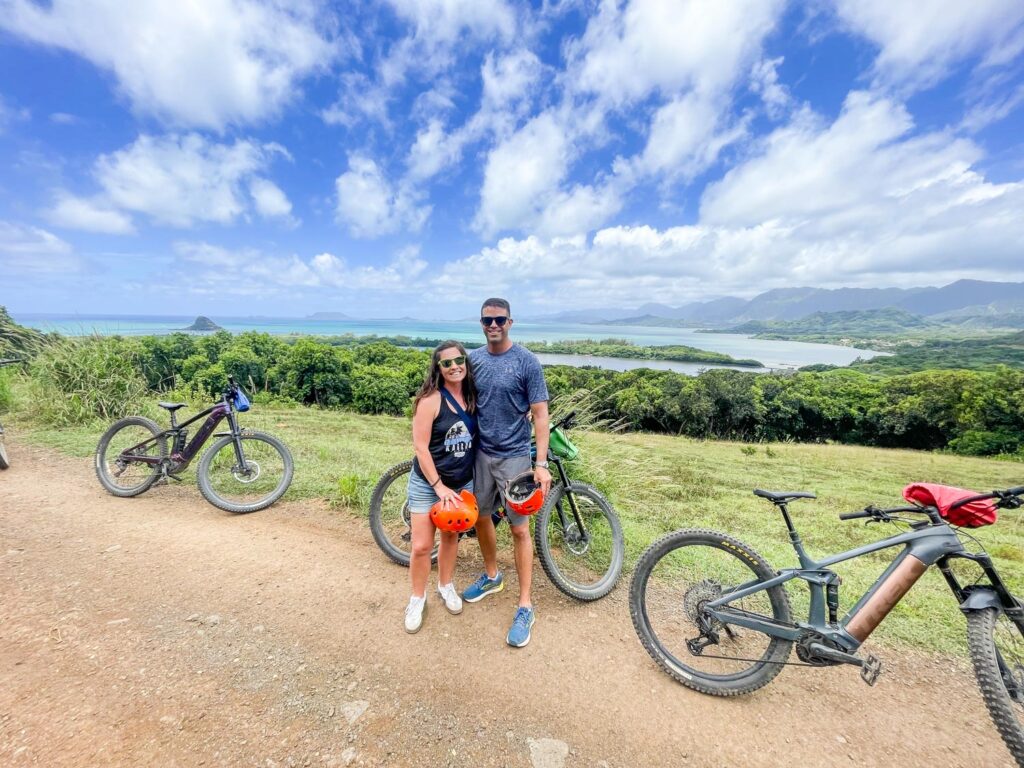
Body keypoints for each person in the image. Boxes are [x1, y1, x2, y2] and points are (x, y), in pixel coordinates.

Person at [462, 298, 551, 647]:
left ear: (510, 322)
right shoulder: (473, 361)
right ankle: (491, 575)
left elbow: (540, 414)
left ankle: (525, 604)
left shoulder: (526, 362)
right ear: (481, 323)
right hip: (480, 455)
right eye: (487, 320)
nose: (493, 325)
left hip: (515, 457)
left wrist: (540, 464)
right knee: (481, 517)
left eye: (499, 319)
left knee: (519, 529)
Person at [404, 341, 478, 633]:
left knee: (451, 538)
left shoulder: (473, 396)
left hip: (460, 484)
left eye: (459, 360)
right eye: (446, 363)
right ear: (438, 368)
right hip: (428, 484)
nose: (454, 366)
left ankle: (445, 585)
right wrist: (438, 487)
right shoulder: (430, 400)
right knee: (422, 546)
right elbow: (421, 448)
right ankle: (417, 597)